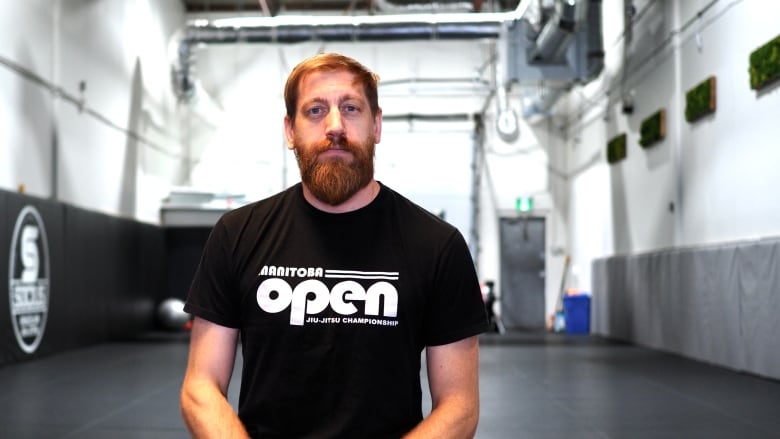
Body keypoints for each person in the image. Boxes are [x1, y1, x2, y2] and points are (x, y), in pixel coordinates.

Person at [180, 52, 489, 438]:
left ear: (376, 124)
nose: (335, 126)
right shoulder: (236, 234)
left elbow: (460, 406)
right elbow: (200, 385)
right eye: (315, 110)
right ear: (290, 130)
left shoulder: (437, 245)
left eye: (351, 108)